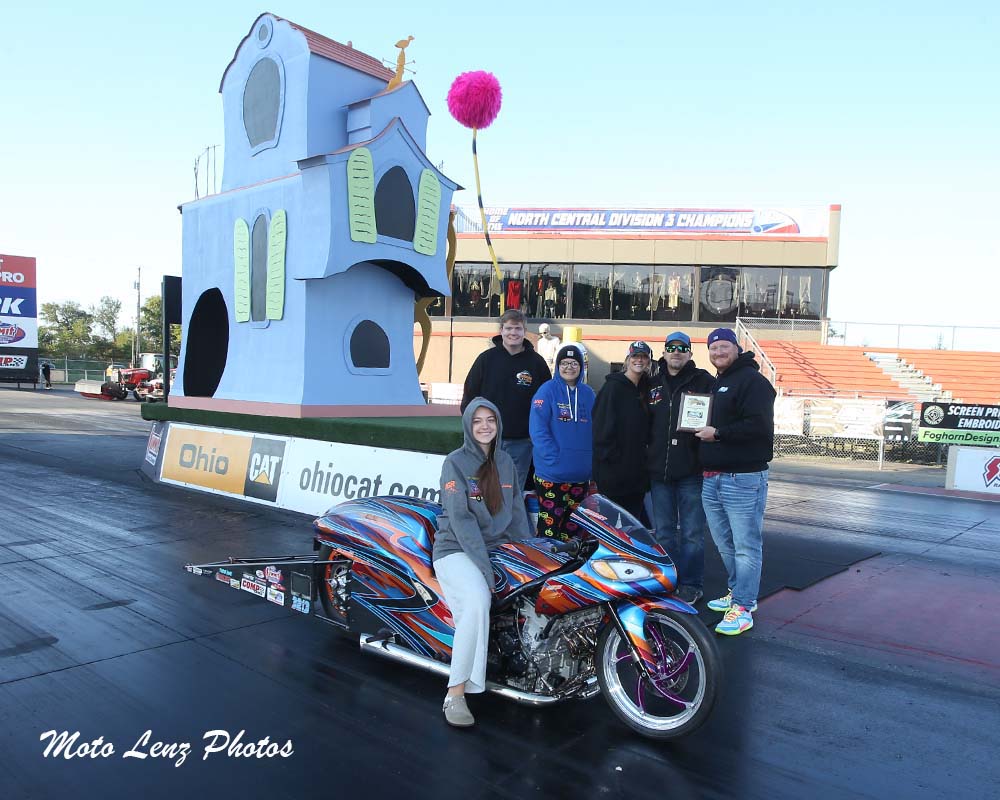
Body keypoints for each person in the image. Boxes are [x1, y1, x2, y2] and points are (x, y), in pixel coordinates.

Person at [432, 398, 533, 727]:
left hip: (496, 547)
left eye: (491, 419)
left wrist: (531, 554)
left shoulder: (506, 462)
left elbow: (517, 512)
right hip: (456, 549)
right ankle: (455, 693)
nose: (485, 426)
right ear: (468, 426)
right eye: (477, 421)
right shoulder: (455, 463)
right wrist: (484, 568)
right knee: (477, 600)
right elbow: (461, 520)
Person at [695, 327, 776, 636]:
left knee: (745, 545)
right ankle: (737, 590)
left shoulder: (753, 381)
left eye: (724, 347)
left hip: (742, 479)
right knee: (724, 543)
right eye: (713, 348)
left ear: (736, 348)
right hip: (713, 477)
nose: (718, 352)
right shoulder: (719, 382)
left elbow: (758, 426)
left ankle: (743, 606)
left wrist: (718, 433)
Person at [647, 332, 715, 605]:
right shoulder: (652, 383)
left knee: (692, 533)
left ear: (690, 353)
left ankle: (691, 584)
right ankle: (668, 581)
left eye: (682, 348)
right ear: (664, 352)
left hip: (691, 472)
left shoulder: (704, 381)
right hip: (659, 472)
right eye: (671, 347)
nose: (676, 352)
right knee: (664, 532)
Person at [462, 309, 551, 489]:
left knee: (511, 491)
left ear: (525, 331)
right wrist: (475, 428)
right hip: (486, 439)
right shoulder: (486, 360)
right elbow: (469, 396)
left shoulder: (537, 363)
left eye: (518, 328)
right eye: (509, 328)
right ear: (501, 330)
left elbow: (547, 402)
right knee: (481, 488)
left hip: (521, 442)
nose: (513, 333)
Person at [528, 344, 596, 540]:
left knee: (574, 529)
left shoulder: (588, 394)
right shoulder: (546, 391)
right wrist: (553, 457)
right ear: (558, 366)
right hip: (552, 474)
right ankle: (546, 559)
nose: (569, 367)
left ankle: (569, 560)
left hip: (580, 475)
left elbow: (597, 429)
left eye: (574, 363)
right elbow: (538, 429)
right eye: (564, 363)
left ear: (581, 366)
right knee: (550, 529)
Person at [592, 341, 653, 519]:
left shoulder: (646, 389)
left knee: (632, 525)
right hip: (613, 474)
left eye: (643, 357)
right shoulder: (612, 388)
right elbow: (600, 429)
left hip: (637, 476)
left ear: (649, 362)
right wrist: (611, 461)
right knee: (611, 525)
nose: (639, 360)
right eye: (635, 356)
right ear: (627, 359)